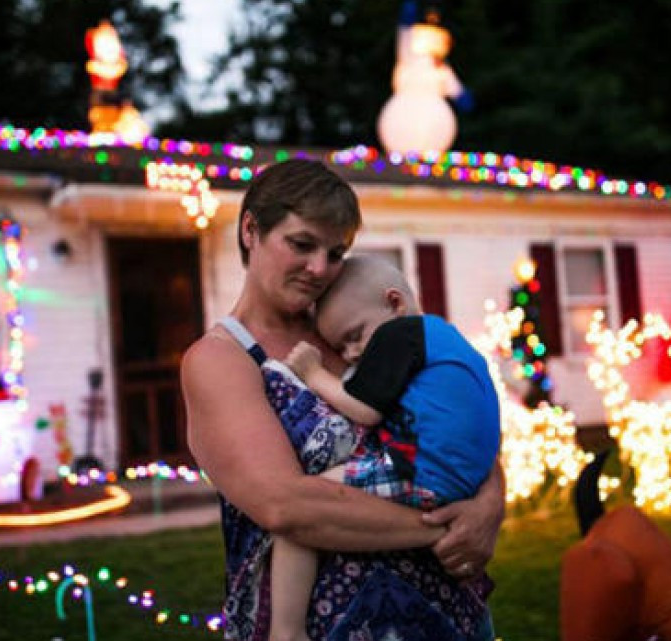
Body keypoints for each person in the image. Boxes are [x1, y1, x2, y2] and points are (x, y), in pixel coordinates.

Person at [181, 159, 505, 641]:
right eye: (302, 244)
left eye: (335, 253)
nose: (319, 269)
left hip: (447, 616)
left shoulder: (356, 329)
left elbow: (456, 416)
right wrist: (445, 529)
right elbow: (285, 507)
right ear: (251, 230)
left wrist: (489, 504)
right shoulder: (221, 360)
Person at [268, 255, 501, 641]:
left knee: (305, 509)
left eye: (355, 335)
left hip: (423, 474)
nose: (352, 354)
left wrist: (314, 374)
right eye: (340, 346)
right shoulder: (444, 337)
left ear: (395, 303)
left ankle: (285, 632)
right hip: (461, 481)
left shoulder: (401, 333)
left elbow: (365, 411)